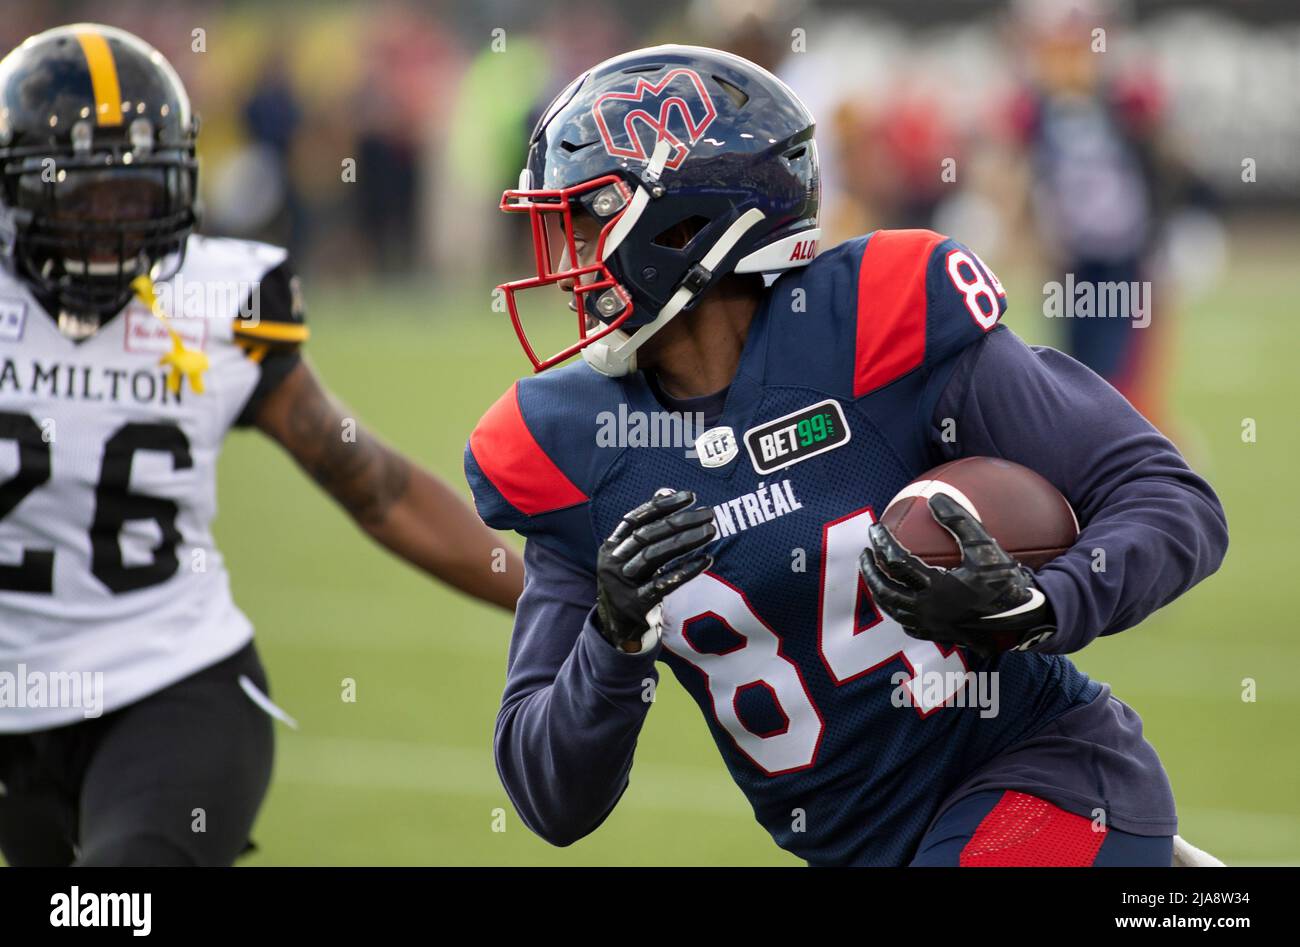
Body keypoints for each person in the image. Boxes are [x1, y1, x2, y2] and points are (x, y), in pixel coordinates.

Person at [465, 45, 1228, 866]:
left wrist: (1045, 604)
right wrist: (611, 644)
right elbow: (550, 798)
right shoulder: (570, 444)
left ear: (684, 226)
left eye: (587, 217)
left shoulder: (873, 324)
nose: (567, 260)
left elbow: (1166, 494)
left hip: (1044, 783)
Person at [0, 24, 522, 866]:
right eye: (82, 197)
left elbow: (374, 484)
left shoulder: (217, 304)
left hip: (171, 690)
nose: (111, 225)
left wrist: (544, 598)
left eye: (133, 196)